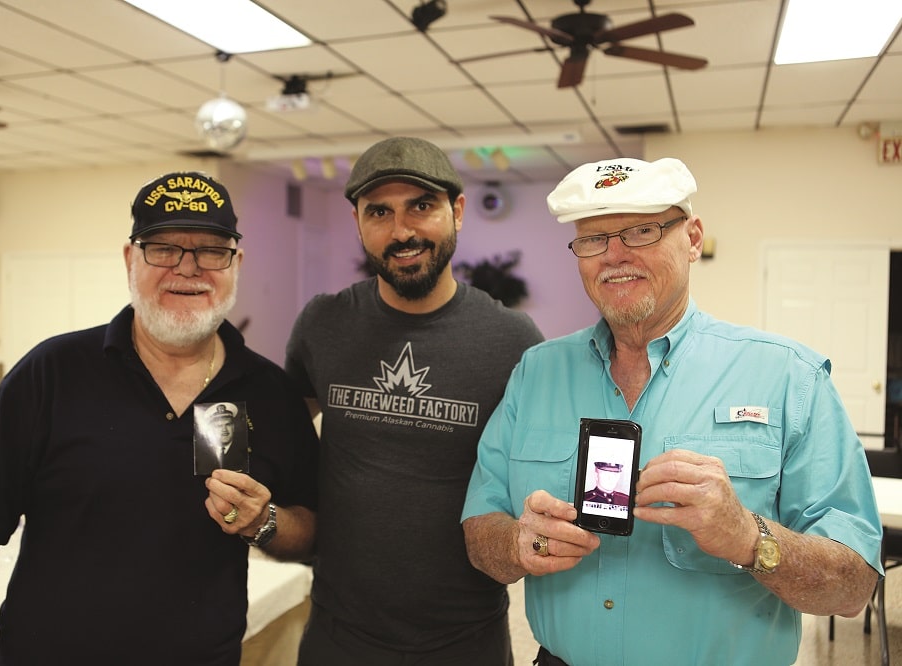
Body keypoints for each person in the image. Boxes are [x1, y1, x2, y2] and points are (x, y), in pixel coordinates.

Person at [461, 157, 883, 666]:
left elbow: (853, 586)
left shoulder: (790, 378)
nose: (615, 256)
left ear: (693, 237)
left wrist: (748, 536)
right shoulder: (536, 373)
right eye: (594, 238)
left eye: (642, 231)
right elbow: (479, 531)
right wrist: (515, 542)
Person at [0, 171, 320, 666]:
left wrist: (264, 522)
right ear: (129, 259)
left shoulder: (270, 393)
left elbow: (311, 527)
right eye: (162, 248)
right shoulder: (50, 374)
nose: (188, 268)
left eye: (211, 250)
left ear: (236, 264)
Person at [284, 136, 544, 665]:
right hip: (339, 634)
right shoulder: (323, 323)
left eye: (421, 207)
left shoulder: (511, 339)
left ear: (458, 212)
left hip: (464, 638)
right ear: (358, 222)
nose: (401, 231)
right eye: (379, 212)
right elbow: (281, 434)